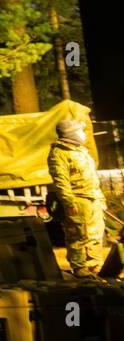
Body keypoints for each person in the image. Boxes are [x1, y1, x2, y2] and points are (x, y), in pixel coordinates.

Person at [47, 118, 108, 277]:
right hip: (78, 201)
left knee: (96, 235)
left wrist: (100, 199)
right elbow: (61, 181)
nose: (83, 134)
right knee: (78, 237)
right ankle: (80, 270)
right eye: (80, 131)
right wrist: (68, 202)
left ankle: (95, 267)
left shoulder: (81, 151)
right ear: (71, 133)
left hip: (92, 198)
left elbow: (93, 178)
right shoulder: (59, 153)